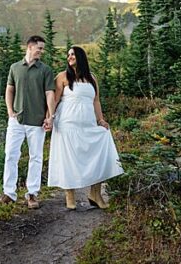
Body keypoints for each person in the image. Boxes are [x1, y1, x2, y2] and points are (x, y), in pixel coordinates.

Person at [45, 46, 124, 210]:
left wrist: (100, 120)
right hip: (67, 124)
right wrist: (49, 118)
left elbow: (96, 101)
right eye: (68, 55)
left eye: (72, 54)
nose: (69, 57)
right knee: (68, 158)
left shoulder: (91, 78)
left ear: (80, 56)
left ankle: (95, 193)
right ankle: (70, 195)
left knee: (102, 141)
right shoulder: (62, 76)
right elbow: (54, 100)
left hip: (88, 124)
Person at [0, 35, 55, 209]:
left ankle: (32, 194)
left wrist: (50, 116)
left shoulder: (45, 70)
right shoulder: (15, 68)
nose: (41, 51)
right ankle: (8, 194)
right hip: (16, 121)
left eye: (42, 49)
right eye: (39, 48)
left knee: (36, 157)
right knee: (11, 154)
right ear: (30, 47)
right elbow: (9, 90)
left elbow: (50, 94)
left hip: (37, 121)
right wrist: (10, 111)